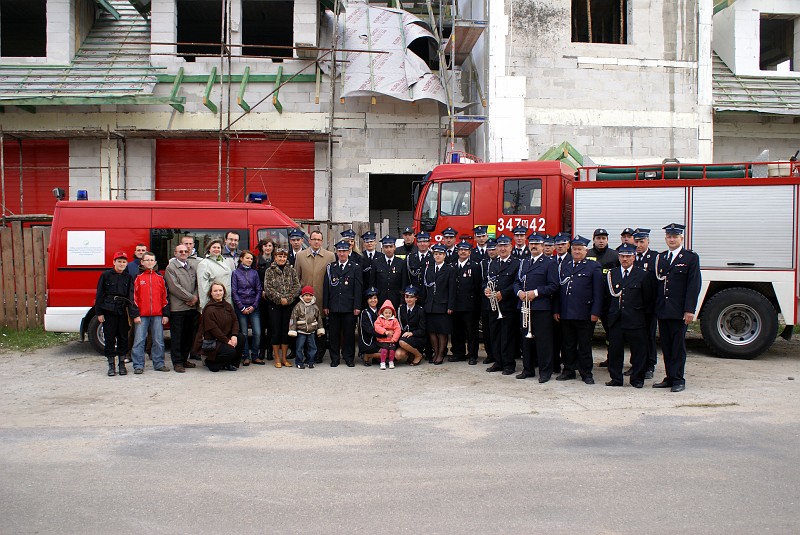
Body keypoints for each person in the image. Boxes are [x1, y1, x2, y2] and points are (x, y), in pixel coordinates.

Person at [653, 223, 701, 392]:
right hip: (663, 309)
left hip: (679, 311)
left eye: (675, 237)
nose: (672, 239)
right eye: (669, 237)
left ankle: (679, 379)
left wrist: (690, 310)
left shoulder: (690, 258)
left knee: (677, 346)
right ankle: (669, 377)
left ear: (681, 238)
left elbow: (693, 286)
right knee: (666, 345)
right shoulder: (662, 257)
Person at [553, 235, 603, 384]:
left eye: (579, 249)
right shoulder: (565, 266)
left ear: (586, 250)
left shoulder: (593, 266)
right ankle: (568, 370)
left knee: (584, 345)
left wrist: (595, 312)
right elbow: (558, 290)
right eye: (574, 249)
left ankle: (586, 373)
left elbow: (598, 292)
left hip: (584, 314)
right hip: (566, 312)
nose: (576, 252)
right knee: (567, 344)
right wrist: (556, 309)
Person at [605, 243, 656, 388]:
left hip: (636, 319)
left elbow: (648, 300)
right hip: (617, 319)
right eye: (622, 256)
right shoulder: (612, 274)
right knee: (615, 351)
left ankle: (637, 379)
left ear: (634, 257)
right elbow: (607, 298)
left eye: (628, 256)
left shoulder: (643, 275)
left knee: (639, 351)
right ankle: (616, 378)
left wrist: (645, 320)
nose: (625, 259)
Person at [514, 233, 559, 382]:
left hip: (541, 307)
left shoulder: (549, 263)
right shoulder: (524, 262)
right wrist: (519, 292)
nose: (533, 246)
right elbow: (517, 282)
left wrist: (535, 293)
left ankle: (545, 372)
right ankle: (528, 369)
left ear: (542, 246)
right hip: (524, 306)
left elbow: (554, 286)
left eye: (537, 244)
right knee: (525, 340)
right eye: (531, 243)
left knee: (543, 341)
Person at [295, 230, 335, 362]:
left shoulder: (330, 256)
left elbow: (332, 280)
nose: (316, 241)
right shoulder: (300, 256)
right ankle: (306, 354)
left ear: (322, 241)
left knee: (320, 327)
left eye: (319, 239)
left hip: (322, 298)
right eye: (314, 239)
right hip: (305, 301)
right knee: (305, 328)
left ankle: (319, 355)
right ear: (309, 241)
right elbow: (297, 277)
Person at [484, 235, 521, 376]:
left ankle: (509, 364)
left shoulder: (516, 263)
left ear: (511, 247)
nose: (502, 248)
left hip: (508, 306)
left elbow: (516, 283)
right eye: (500, 246)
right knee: (495, 335)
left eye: (505, 246)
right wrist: (486, 289)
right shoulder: (492, 263)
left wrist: (503, 294)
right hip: (493, 306)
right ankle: (498, 362)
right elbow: (486, 281)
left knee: (507, 336)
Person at [323, 240, 363, 367]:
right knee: (334, 334)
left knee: (349, 334)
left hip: (349, 307)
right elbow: (326, 288)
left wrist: (357, 306)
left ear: (349, 251)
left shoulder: (355, 267)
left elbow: (358, 288)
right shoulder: (331, 268)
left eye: (344, 251)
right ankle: (335, 358)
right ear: (336, 252)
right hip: (334, 306)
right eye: (339, 251)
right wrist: (325, 305)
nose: (342, 253)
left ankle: (349, 357)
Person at [95, 251, 135, 376]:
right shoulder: (106, 275)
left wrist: (132, 312)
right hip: (108, 310)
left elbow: (130, 295)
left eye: (124, 262)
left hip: (123, 311)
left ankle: (122, 365)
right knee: (110, 338)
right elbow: (100, 294)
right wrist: (99, 313)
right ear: (114, 262)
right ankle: (111, 365)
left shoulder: (128, 277)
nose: (122, 264)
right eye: (119, 261)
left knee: (123, 337)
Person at [130, 252, 170, 374]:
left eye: (152, 260)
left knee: (158, 340)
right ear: (142, 262)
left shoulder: (161, 278)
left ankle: (159, 363)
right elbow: (133, 298)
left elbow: (166, 297)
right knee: (139, 340)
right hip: (142, 315)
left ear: (155, 262)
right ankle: (138, 365)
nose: (150, 262)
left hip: (158, 314)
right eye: (147, 260)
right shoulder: (137, 278)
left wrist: (165, 314)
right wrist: (135, 314)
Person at [164, 243, 200, 373]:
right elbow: (174, 287)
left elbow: (197, 284)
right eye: (180, 251)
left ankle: (184, 359)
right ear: (175, 253)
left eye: (185, 251)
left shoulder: (191, 267)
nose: (183, 253)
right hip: (178, 308)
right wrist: (190, 298)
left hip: (191, 308)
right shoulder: (170, 268)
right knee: (177, 337)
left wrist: (195, 297)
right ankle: (177, 362)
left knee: (188, 336)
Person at [263, 247, 301, 368]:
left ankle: (284, 358)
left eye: (284, 256)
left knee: (286, 332)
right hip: (275, 306)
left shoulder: (291, 271)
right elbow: (268, 288)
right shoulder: (269, 271)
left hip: (288, 306)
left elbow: (297, 287)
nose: (282, 258)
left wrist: (288, 299)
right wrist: (280, 299)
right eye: (279, 256)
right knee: (275, 332)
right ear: (275, 257)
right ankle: (277, 358)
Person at [588, 228, 619, 368]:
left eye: (604, 238)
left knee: (611, 333)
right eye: (598, 238)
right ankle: (585, 361)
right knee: (586, 334)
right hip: (590, 301)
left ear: (607, 240)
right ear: (594, 239)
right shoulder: (587, 254)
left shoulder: (615, 255)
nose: (601, 241)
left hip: (608, 301)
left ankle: (611, 359)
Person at [194, 282, 243, 372]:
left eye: (220, 290)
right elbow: (214, 330)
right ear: (211, 293)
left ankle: (230, 364)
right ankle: (210, 362)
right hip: (214, 340)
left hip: (226, 336)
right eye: (215, 291)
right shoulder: (209, 309)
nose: (218, 293)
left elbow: (235, 321)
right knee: (230, 352)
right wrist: (227, 341)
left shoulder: (227, 306)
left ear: (224, 292)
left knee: (241, 338)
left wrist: (234, 335)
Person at [422, 243, 456, 365]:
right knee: (432, 331)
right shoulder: (429, 269)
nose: (438, 256)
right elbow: (425, 288)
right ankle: (435, 352)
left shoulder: (449, 269)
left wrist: (450, 306)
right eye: (436, 254)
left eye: (440, 254)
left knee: (442, 332)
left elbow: (452, 289)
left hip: (443, 305)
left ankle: (441, 354)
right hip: (430, 305)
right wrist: (423, 304)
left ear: (444, 255)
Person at [450, 240, 482, 365]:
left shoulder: (474, 266)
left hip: (470, 305)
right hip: (455, 305)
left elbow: (478, 286)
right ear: (457, 251)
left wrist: (477, 306)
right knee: (456, 331)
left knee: (471, 332)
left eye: (465, 250)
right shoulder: (452, 266)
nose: (463, 252)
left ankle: (473, 355)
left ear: (469, 252)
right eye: (461, 250)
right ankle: (459, 353)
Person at [633, 228, 659, 379]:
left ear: (648, 242)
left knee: (649, 336)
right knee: (635, 337)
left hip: (649, 305)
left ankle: (650, 365)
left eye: (642, 241)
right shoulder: (630, 257)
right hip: (634, 306)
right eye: (636, 241)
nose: (638, 245)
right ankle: (637, 364)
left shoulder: (655, 258)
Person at [231, 251, 263, 366]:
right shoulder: (235, 273)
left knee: (258, 332)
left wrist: (254, 305)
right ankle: (246, 356)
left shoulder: (254, 273)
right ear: (241, 259)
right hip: (241, 308)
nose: (250, 260)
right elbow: (234, 292)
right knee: (243, 333)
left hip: (254, 307)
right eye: (247, 258)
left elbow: (259, 290)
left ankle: (255, 355)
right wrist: (241, 307)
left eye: (251, 259)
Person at [288, 285, 324, 369]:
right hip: (301, 331)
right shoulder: (298, 306)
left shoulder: (314, 307)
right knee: (299, 347)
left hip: (311, 331)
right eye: (306, 295)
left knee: (312, 347)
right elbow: (293, 318)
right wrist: (292, 330)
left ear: (312, 296)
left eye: (310, 295)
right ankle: (299, 362)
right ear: (302, 296)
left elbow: (319, 319)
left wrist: (320, 329)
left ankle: (310, 361)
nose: (308, 297)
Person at [197, 239, 233, 309]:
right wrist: (205, 306)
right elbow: (203, 288)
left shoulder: (224, 261)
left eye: (218, 247)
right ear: (209, 249)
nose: (216, 249)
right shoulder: (204, 264)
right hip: (213, 303)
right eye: (214, 247)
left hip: (227, 301)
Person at [373, 235, 407, 308]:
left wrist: (402, 301)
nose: (389, 249)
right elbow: (372, 283)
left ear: (395, 247)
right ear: (383, 248)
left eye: (391, 247)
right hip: (380, 299)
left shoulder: (401, 262)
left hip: (396, 299)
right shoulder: (376, 262)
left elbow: (403, 283)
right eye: (386, 247)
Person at [395, 286, 426, 366]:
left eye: (411, 297)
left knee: (402, 342)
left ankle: (418, 355)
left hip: (417, 337)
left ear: (416, 298)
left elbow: (423, 330)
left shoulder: (420, 310)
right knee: (398, 355)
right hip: (404, 338)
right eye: (406, 297)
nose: (408, 299)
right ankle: (410, 353)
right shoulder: (401, 309)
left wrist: (412, 333)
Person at [255, 238, 275, 361]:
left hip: (272, 298)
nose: (268, 248)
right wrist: (261, 290)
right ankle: (261, 350)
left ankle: (270, 351)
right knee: (261, 327)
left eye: (270, 246)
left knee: (272, 326)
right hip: (260, 297)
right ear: (261, 247)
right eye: (265, 246)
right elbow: (254, 278)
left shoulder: (275, 260)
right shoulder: (256, 261)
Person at [479, 239, 498, 365]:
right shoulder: (483, 263)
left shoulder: (500, 262)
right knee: (486, 331)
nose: (491, 251)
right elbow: (480, 280)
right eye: (489, 249)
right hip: (486, 301)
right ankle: (489, 354)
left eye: (493, 249)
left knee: (496, 331)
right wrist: (485, 287)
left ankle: (498, 355)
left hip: (498, 301)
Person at [374, 300, 402, 369]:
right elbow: (377, 326)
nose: (388, 314)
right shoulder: (379, 319)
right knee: (384, 350)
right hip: (382, 339)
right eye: (386, 313)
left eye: (389, 313)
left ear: (392, 313)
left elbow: (397, 330)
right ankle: (382, 362)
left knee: (392, 350)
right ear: (382, 312)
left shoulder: (394, 320)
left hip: (391, 339)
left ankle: (391, 361)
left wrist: (394, 339)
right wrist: (384, 332)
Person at [358, 287, 383, 366]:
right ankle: (367, 355)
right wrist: (385, 334)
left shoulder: (381, 311)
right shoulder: (365, 313)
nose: (373, 300)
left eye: (375, 298)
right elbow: (369, 330)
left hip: (379, 340)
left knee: (394, 353)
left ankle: (376, 358)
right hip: (368, 342)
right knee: (388, 352)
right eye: (370, 298)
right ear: (367, 300)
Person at [359, 231, 381, 304]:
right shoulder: (360, 257)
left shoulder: (381, 256)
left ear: (375, 242)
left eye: (371, 241)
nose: (369, 243)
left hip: (378, 292)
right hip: (363, 292)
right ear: (364, 244)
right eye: (367, 242)